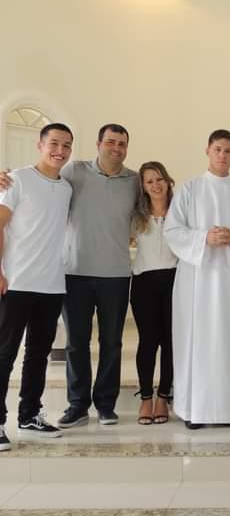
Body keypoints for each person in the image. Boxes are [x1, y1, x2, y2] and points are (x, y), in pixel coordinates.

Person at [0, 124, 138, 428]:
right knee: (73, 343)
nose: (116, 147)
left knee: (109, 343)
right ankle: (77, 405)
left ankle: (101, 405)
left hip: (106, 275)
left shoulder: (132, 181)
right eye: (110, 142)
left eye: (122, 143)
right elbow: (14, 202)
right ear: (98, 143)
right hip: (69, 273)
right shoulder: (72, 172)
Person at [164, 130, 230, 429]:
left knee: (225, 340)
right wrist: (204, 238)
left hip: (225, 281)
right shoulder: (190, 189)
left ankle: (225, 411)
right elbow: (173, 231)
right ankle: (193, 410)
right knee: (194, 340)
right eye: (218, 149)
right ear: (208, 150)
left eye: (228, 151)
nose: (223, 155)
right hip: (195, 279)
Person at [0, 123, 74, 451]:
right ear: (40, 145)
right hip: (15, 283)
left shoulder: (67, 188)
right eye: (54, 143)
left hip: (51, 285)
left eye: (66, 145)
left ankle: (29, 414)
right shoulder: (17, 179)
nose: (60, 150)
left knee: (38, 355)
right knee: (5, 354)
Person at [130, 161, 177, 425]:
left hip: (174, 281)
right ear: (143, 187)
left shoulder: (181, 213)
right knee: (148, 341)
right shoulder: (136, 217)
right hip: (144, 283)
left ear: (168, 181)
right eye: (149, 181)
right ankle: (145, 398)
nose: (156, 185)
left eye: (159, 179)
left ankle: (163, 398)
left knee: (170, 342)